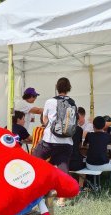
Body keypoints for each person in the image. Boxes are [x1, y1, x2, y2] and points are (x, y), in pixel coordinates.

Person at [33, 77, 77, 206]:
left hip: (50, 140)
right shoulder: (73, 103)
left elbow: (45, 120)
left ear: (57, 87)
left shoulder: (50, 101)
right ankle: (62, 199)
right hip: (67, 141)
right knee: (63, 167)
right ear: (69, 89)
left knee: (34, 161)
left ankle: (33, 192)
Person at [83, 116, 111, 197]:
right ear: (104, 126)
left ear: (93, 126)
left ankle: (94, 184)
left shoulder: (89, 135)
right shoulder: (107, 136)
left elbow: (84, 145)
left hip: (89, 165)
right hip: (102, 165)